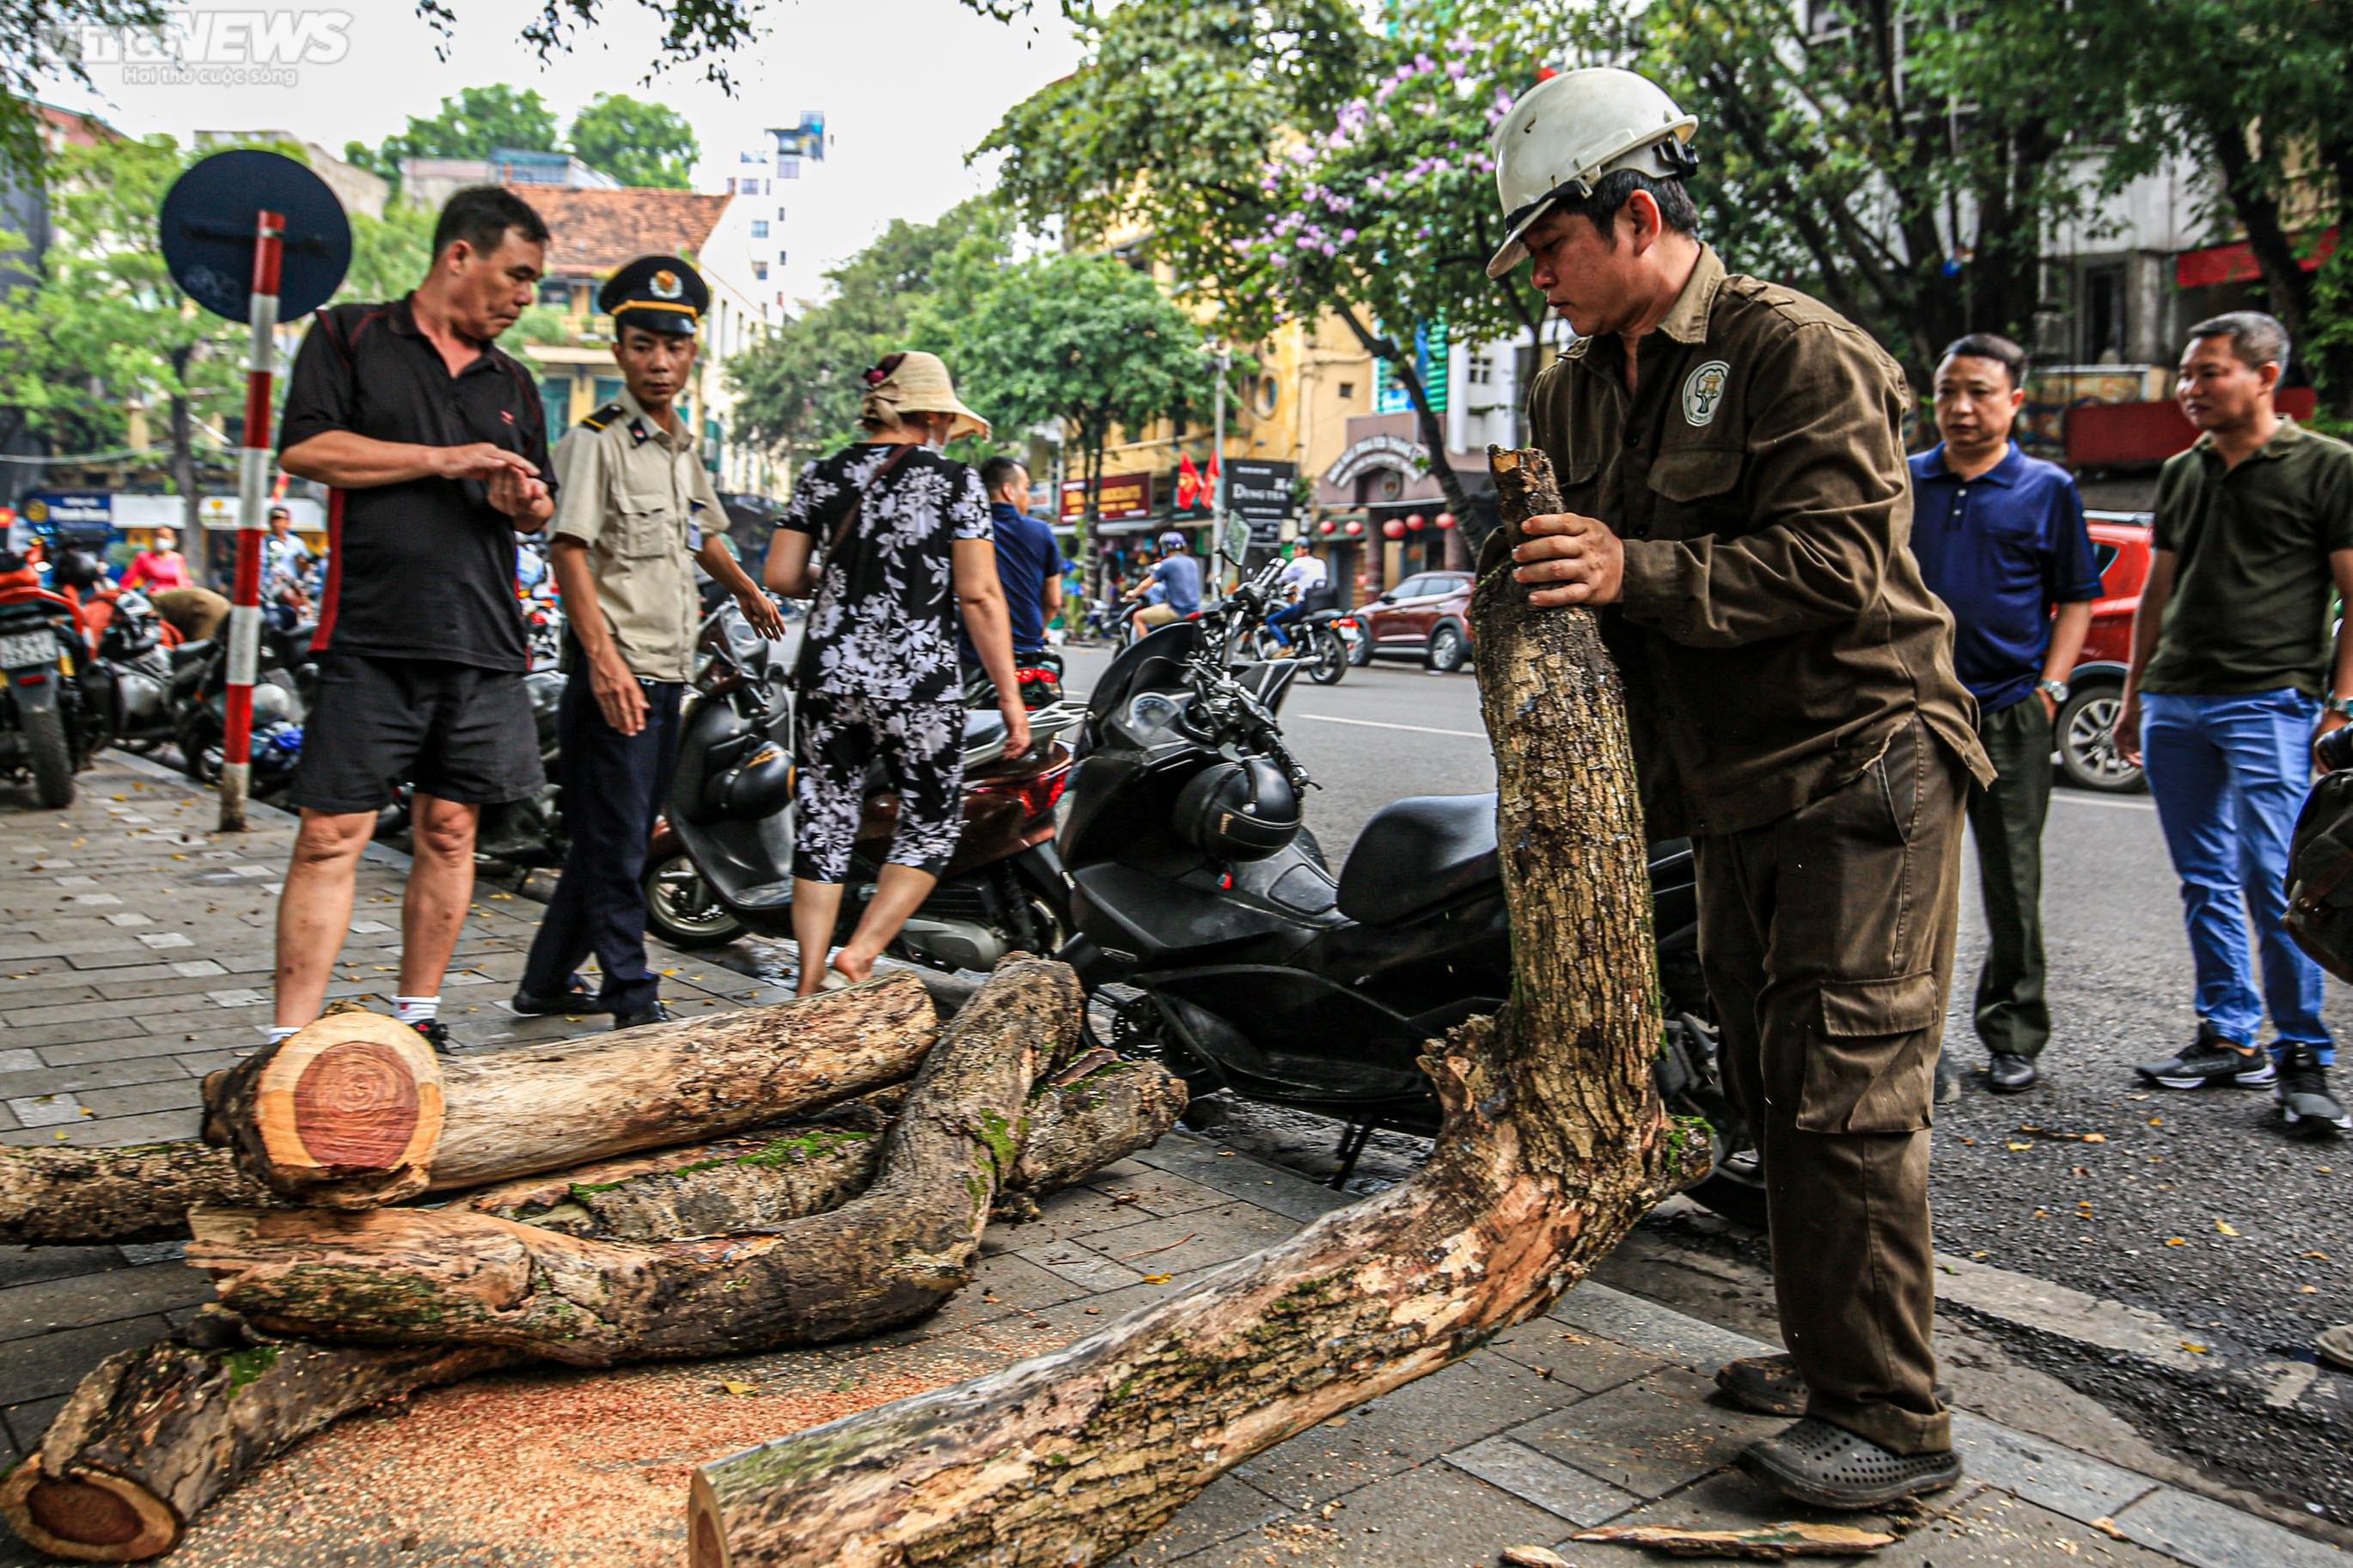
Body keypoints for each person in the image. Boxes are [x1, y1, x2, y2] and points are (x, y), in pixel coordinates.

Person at [1491, 67, 1991, 1508]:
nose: (1540, 281)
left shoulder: (1796, 352)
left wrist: (1629, 568)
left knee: (1845, 1101)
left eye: (1549, 246)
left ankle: (1893, 1428)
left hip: (1859, 773)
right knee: (1771, 1094)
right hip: (1729, 794)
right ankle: (1831, 1350)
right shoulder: (1572, 383)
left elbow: (1839, 564)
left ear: (1633, 215)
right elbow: (1567, 572)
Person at [269, 186, 557, 1053]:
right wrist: (445, 459)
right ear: (458, 257)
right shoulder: (348, 336)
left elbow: (536, 513)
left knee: (451, 827)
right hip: (371, 630)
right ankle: (284, 1039)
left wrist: (523, 498)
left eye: (534, 282)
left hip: (482, 639)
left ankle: (417, 1018)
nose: (525, 295)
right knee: (331, 833)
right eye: (517, 275)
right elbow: (307, 449)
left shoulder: (514, 382)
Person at [514, 256, 784, 1028]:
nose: (659, 361)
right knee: (620, 841)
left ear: (692, 350)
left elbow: (702, 536)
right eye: (641, 345)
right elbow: (569, 550)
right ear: (619, 350)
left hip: (670, 670)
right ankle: (632, 997)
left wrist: (747, 588)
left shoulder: (681, 447)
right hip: (617, 674)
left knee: (617, 831)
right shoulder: (594, 442)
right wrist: (600, 662)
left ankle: (542, 982)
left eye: (673, 347)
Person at [2116, 312, 2353, 1136]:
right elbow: (2156, 591)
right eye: (2186, 373)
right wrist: (2134, 693)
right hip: (2177, 698)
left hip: (2268, 698)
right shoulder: (2183, 469)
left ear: (2265, 374)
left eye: (2208, 372)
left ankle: (2302, 1053)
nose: (2189, 388)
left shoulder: (2327, 466)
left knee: (2273, 876)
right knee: (2203, 875)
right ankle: (2228, 1033)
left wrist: (2339, 704)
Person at [764, 351, 1029, 995]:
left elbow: (780, 576)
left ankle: (806, 981)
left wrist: (834, 579)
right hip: (920, 685)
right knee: (934, 819)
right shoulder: (957, 483)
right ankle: (861, 951)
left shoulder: (823, 473)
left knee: (825, 818)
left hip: (828, 676)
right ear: (935, 415)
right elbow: (979, 595)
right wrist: (1011, 699)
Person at [1907, 333, 2102, 1097]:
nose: (1960, 406)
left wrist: (2051, 689)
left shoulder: (2046, 487)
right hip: (1916, 707)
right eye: (1948, 389)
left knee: (2011, 882)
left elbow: (2078, 595)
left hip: (2011, 710)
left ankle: (2014, 1033)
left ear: (2014, 400)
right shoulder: (1905, 479)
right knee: (1912, 884)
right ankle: (1918, 1037)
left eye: (1979, 391)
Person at [964, 455, 1062, 674]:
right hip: (1026, 649)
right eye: (1026, 489)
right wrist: (1040, 629)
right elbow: (1054, 600)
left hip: (974, 651)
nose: (1028, 498)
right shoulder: (1041, 532)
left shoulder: (966, 532)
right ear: (1009, 491)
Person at [1122, 530, 1201, 638]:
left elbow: (1146, 584)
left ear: (1165, 548)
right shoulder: (1192, 562)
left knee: (1138, 617)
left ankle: (1146, 651)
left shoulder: (1167, 564)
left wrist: (1133, 593)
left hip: (1176, 610)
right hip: (1194, 609)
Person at [260, 504, 315, 630]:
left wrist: (304, 565)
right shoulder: (262, 544)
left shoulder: (297, 543)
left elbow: (306, 570)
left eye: (280, 519)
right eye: (273, 519)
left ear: (287, 522)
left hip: (291, 587)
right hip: (268, 591)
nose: (276, 523)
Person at [1263, 543, 1329, 647]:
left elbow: (1281, 578)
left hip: (1305, 605)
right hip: (1323, 603)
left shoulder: (1298, 562)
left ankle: (1285, 646)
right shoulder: (1320, 562)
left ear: (1305, 550)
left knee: (1271, 620)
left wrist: (1269, 585)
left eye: (1296, 549)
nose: (1293, 552)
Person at [120, 527, 192, 595]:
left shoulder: (177, 558)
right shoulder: (144, 557)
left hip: (177, 595)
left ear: (173, 540)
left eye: (165, 537)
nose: (161, 540)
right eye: (158, 536)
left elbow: (185, 581)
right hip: (155, 595)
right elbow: (126, 582)